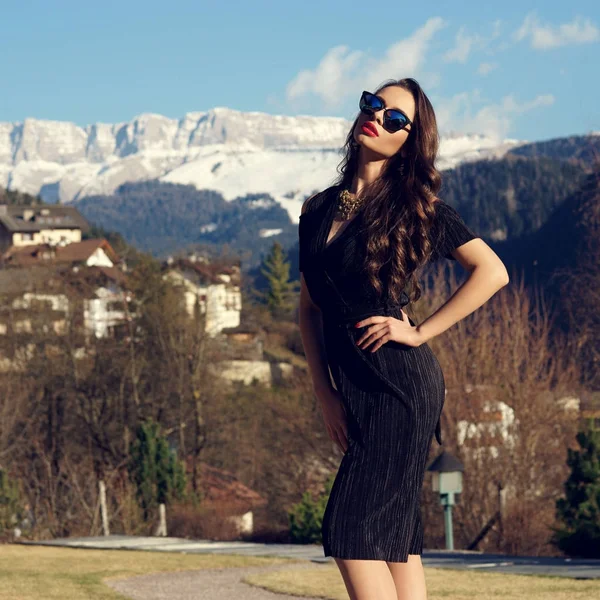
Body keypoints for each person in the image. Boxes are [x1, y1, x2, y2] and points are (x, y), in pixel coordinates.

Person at [297, 78, 509, 600]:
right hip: (353, 387)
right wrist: (324, 393)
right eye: (374, 104)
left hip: (401, 385)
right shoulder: (317, 210)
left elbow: (492, 271)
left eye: (396, 119)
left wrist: (418, 331)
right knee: (394, 537)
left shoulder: (414, 208)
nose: (379, 117)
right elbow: (307, 308)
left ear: (410, 140)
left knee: (350, 530)